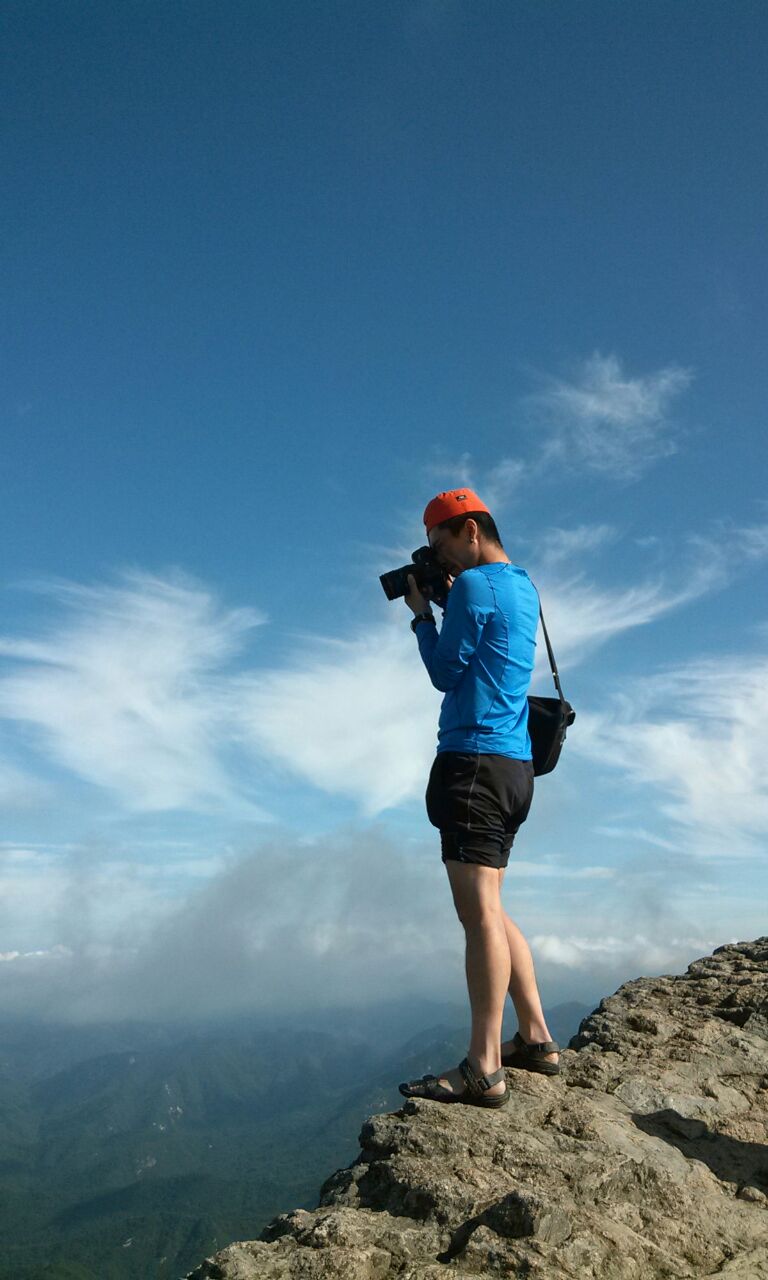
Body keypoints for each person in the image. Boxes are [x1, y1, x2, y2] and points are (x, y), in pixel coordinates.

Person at [398, 487, 560, 1110]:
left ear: (468, 530)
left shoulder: (471, 588)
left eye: (441, 546)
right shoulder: (524, 587)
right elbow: (490, 654)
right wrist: (448, 595)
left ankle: (484, 1066)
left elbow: (445, 671)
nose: (441, 561)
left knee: (479, 917)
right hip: (514, 766)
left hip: (472, 762)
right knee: (492, 905)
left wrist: (422, 613)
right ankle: (538, 1037)